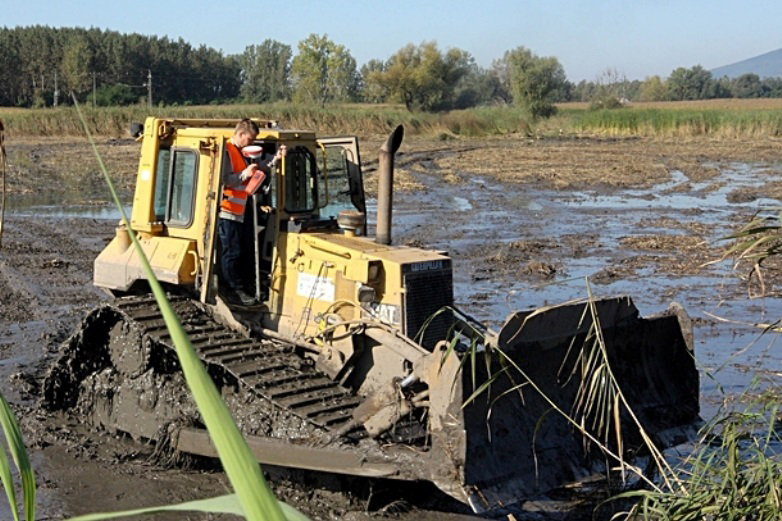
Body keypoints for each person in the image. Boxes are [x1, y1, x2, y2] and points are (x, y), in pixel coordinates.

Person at [218, 118, 286, 308]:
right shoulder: (226, 151)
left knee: (248, 248)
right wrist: (244, 175)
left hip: (245, 209)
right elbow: (224, 180)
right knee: (232, 252)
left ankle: (249, 284)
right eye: (250, 139)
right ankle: (234, 289)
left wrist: (275, 159)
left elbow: (259, 167)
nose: (252, 143)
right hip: (228, 210)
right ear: (240, 135)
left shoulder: (244, 152)